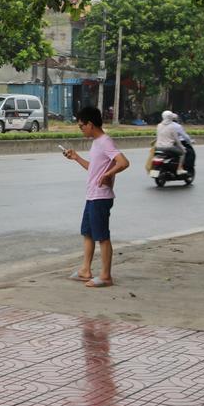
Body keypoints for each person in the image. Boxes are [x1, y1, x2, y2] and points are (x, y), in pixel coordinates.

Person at [62, 104, 129, 288]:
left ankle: (106, 276)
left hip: (101, 196)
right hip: (92, 195)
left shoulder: (105, 141)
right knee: (88, 233)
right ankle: (86, 269)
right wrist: (76, 158)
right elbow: (94, 169)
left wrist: (108, 175)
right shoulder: (96, 143)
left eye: (81, 126)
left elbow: (123, 162)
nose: (81, 129)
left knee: (102, 237)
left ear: (90, 124)